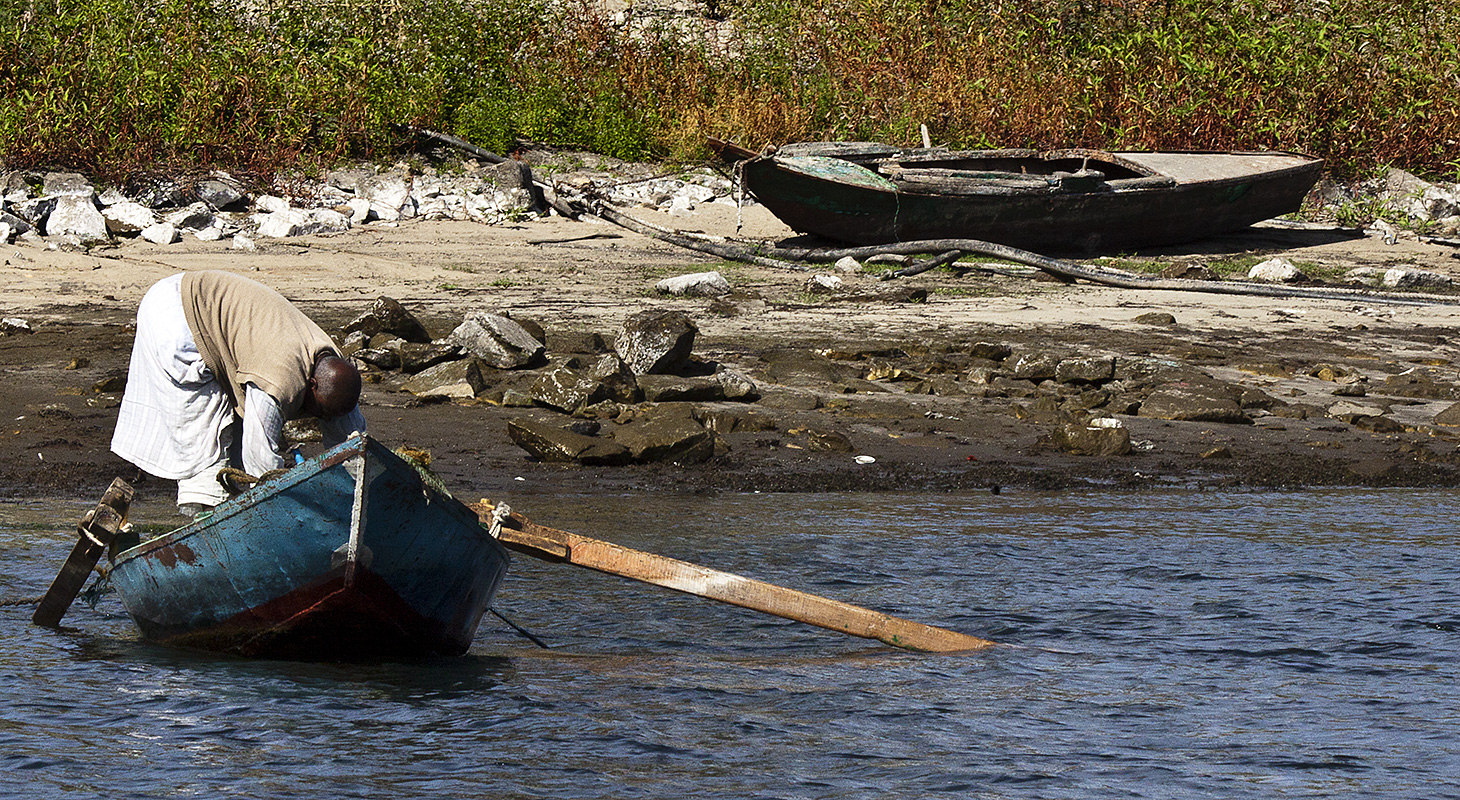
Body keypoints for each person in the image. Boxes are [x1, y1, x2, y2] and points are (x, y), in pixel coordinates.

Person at [111, 270, 366, 517]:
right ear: (311, 384)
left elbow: (351, 443)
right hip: (176, 316)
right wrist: (281, 511)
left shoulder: (336, 374)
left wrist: (353, 498)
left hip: (208, 305)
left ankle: (226, 512)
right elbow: (260, 461)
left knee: (238, 426)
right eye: (321, 413)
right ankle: (206, 515)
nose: (322, 419)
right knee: (209, 435)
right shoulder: (277, 380)